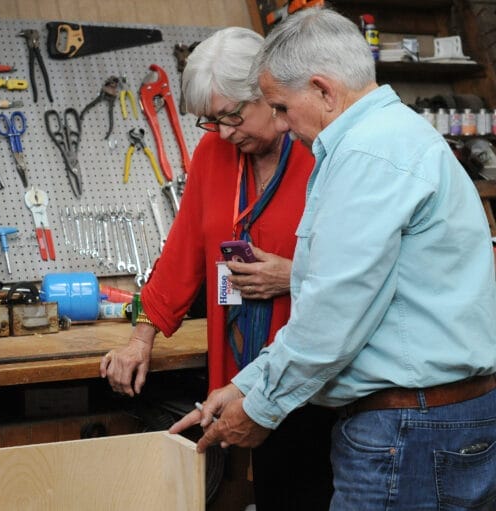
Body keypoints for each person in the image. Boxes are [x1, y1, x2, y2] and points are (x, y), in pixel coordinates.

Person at [171, 8, 496, 511]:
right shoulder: (393, 139)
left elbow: (332, 316)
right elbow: (337, 301)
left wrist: (257, 408)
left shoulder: (367, 156)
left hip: (410, 428)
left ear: (323, 90)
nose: (278, 122)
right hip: (432, 418)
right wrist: (244, 383)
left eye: (280, 106)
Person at [100, 27, 335, 510]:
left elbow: (364, 269)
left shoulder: (324, 153)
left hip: (316, 375)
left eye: (232, 115)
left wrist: (290, 274)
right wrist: (138, 338)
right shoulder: (214, 153)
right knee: (274, 491)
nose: (225, 132)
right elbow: (182, 251)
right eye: (211, 121)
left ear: (269, 93)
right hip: (242, 373)